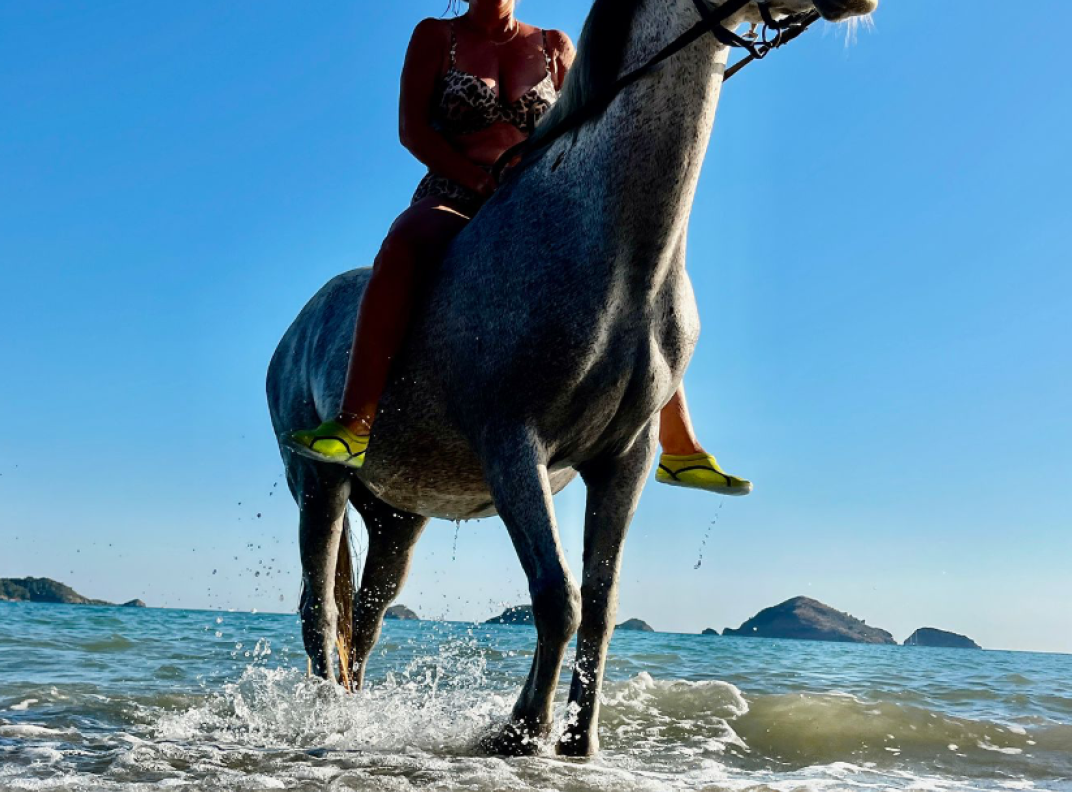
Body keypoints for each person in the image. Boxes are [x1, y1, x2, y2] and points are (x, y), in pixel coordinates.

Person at [285, 0, 750, 496]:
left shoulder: (553, 46)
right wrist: (478, 179)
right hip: (456, 193)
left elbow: (589, 115)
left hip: (539, 199)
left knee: (633, 272)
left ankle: (680, 446)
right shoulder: (437, 37)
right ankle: (355, 422)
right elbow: (413, 130)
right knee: (401, 248)